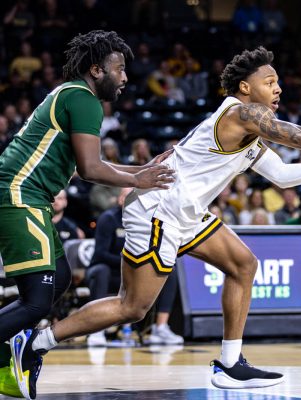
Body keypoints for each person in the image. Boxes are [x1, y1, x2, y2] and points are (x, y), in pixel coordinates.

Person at [18, 47, 301, 393]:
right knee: (132, 307)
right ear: (245, 87)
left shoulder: (249, 129)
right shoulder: (241, 113)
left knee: (243, 265)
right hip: (160, 208)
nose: (278, 88)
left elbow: (282, 176)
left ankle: (230, 363)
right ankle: (38, 341)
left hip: (186, 211)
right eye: (270, 81)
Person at [0, 30, 175, 400]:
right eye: (119, 68)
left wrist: (137, 170)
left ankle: (8, 353)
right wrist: (138, 175)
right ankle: (11, 350)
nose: (125, 77)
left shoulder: (71, 95)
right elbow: (91, 168)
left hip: (27, 195)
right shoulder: (83, 99)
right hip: (18, 193)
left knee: (59, 277)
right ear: (96, 70)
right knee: (36, 300)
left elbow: (87, 164)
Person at [85, 188, 183, 347]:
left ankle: (161, 327)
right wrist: (130, 262)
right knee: (102, 271)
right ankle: (97, 331)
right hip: (110, 271)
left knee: (169, 270)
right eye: (129, 196)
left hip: (134, 271)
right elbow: (101, 254)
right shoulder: (108, 219)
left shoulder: (148, 219)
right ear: (120, 200)